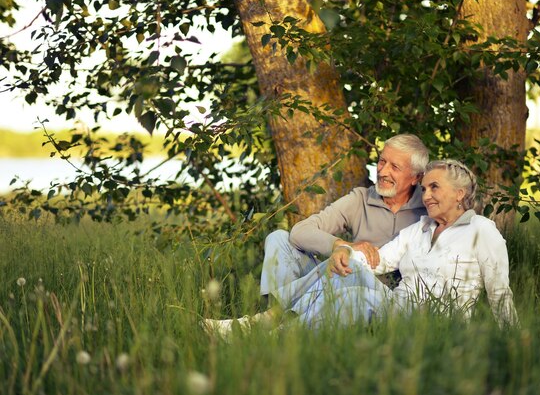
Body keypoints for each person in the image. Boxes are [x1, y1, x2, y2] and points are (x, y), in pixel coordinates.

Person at [203, 159, 519, 336]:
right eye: (424, 189)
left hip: (436, 324)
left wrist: (513, 342)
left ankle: (260, 325)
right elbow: (377, 262)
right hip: (395, 308)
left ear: (461, 194)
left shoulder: (482, 231)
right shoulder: (418, 231)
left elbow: (499, 292)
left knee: (350, 287)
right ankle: (270, 337)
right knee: (348, 277)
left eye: (435, 187)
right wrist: (345, 254)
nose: (426, 196)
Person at [259, 133, 430, 297]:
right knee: (278, 239)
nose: (383, 171)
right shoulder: (360, 199)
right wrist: (342, 245)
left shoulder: (429, 210)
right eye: (382, 161)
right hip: (343, 279)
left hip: (385, 297)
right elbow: (299, 231)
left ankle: (275, 314)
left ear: (416, 177)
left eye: (395, 167)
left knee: (350, 272)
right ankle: (276, 314)